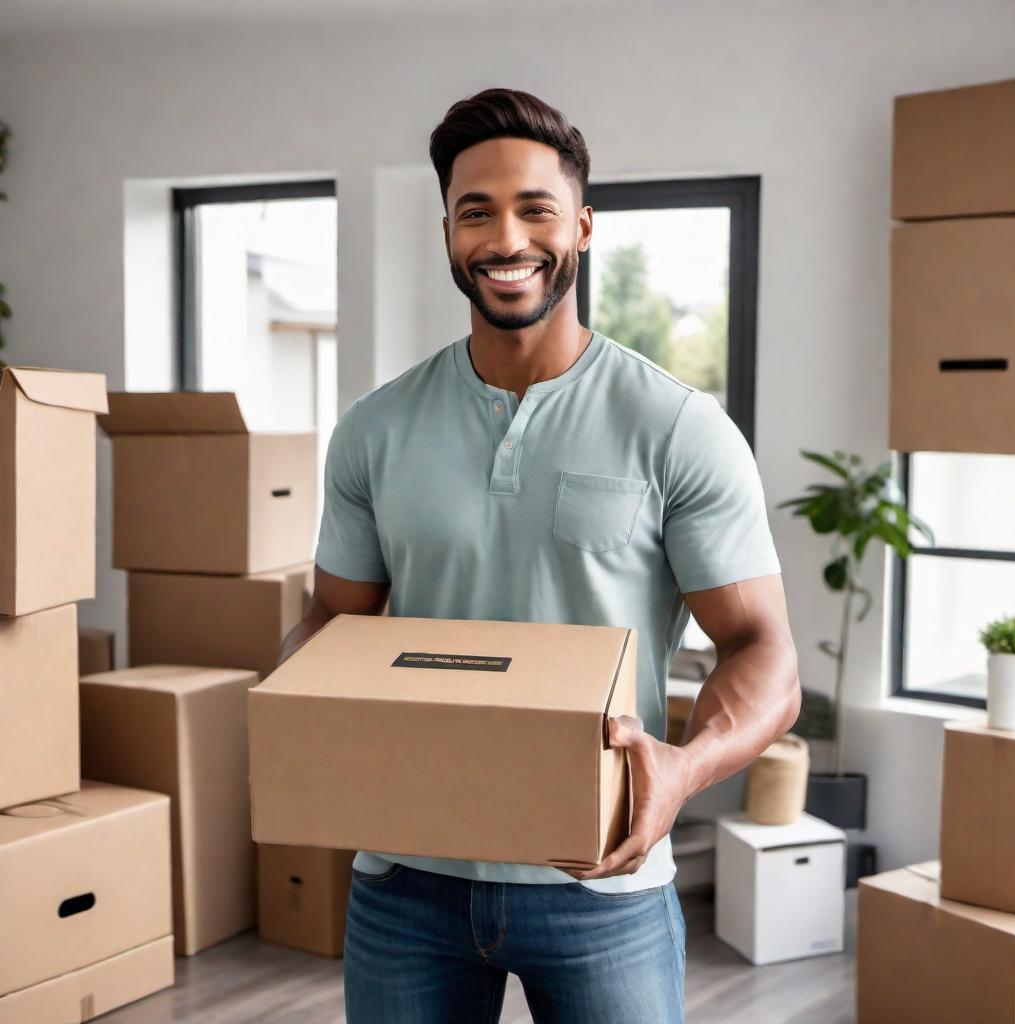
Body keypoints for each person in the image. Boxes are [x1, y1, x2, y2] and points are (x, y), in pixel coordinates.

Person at [279, 87, 801, 1024]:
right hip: (405, 881)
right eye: (475, 211)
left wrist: (684, 769)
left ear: (584, 228)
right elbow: (334, 620)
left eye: (535, 209)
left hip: (603, 883)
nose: (504, 238)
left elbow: (764, 650)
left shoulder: (677, 429)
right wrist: (298, 709)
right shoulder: (374, 431)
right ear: (446, 231)